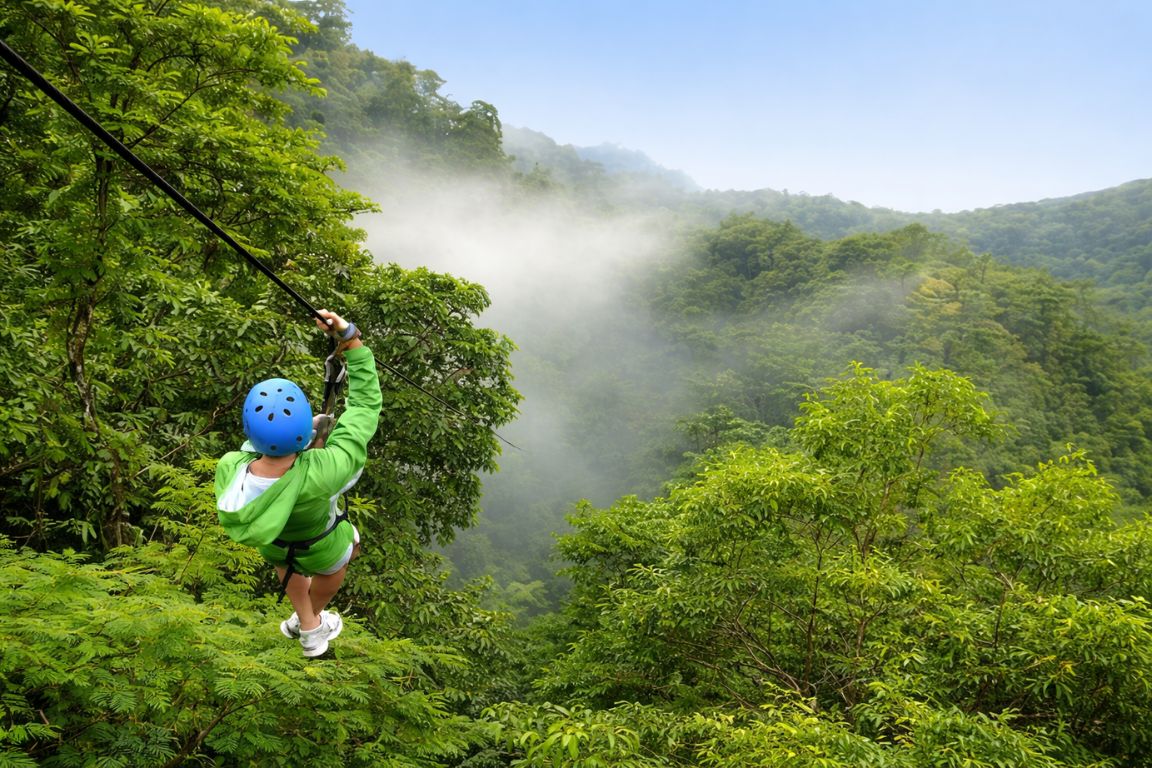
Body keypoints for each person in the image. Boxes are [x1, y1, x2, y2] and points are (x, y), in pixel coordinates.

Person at [215, 309, 381, 657]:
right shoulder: (325, 469)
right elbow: (364, 409)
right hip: (320, 546)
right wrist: (351, 340)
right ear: (304, 431)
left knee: (285, 560)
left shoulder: (230, 467)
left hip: (274, 544)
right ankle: (313, 618)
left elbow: (250, 452)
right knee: (346, 550)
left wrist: (304, 439)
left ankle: (306, 625)